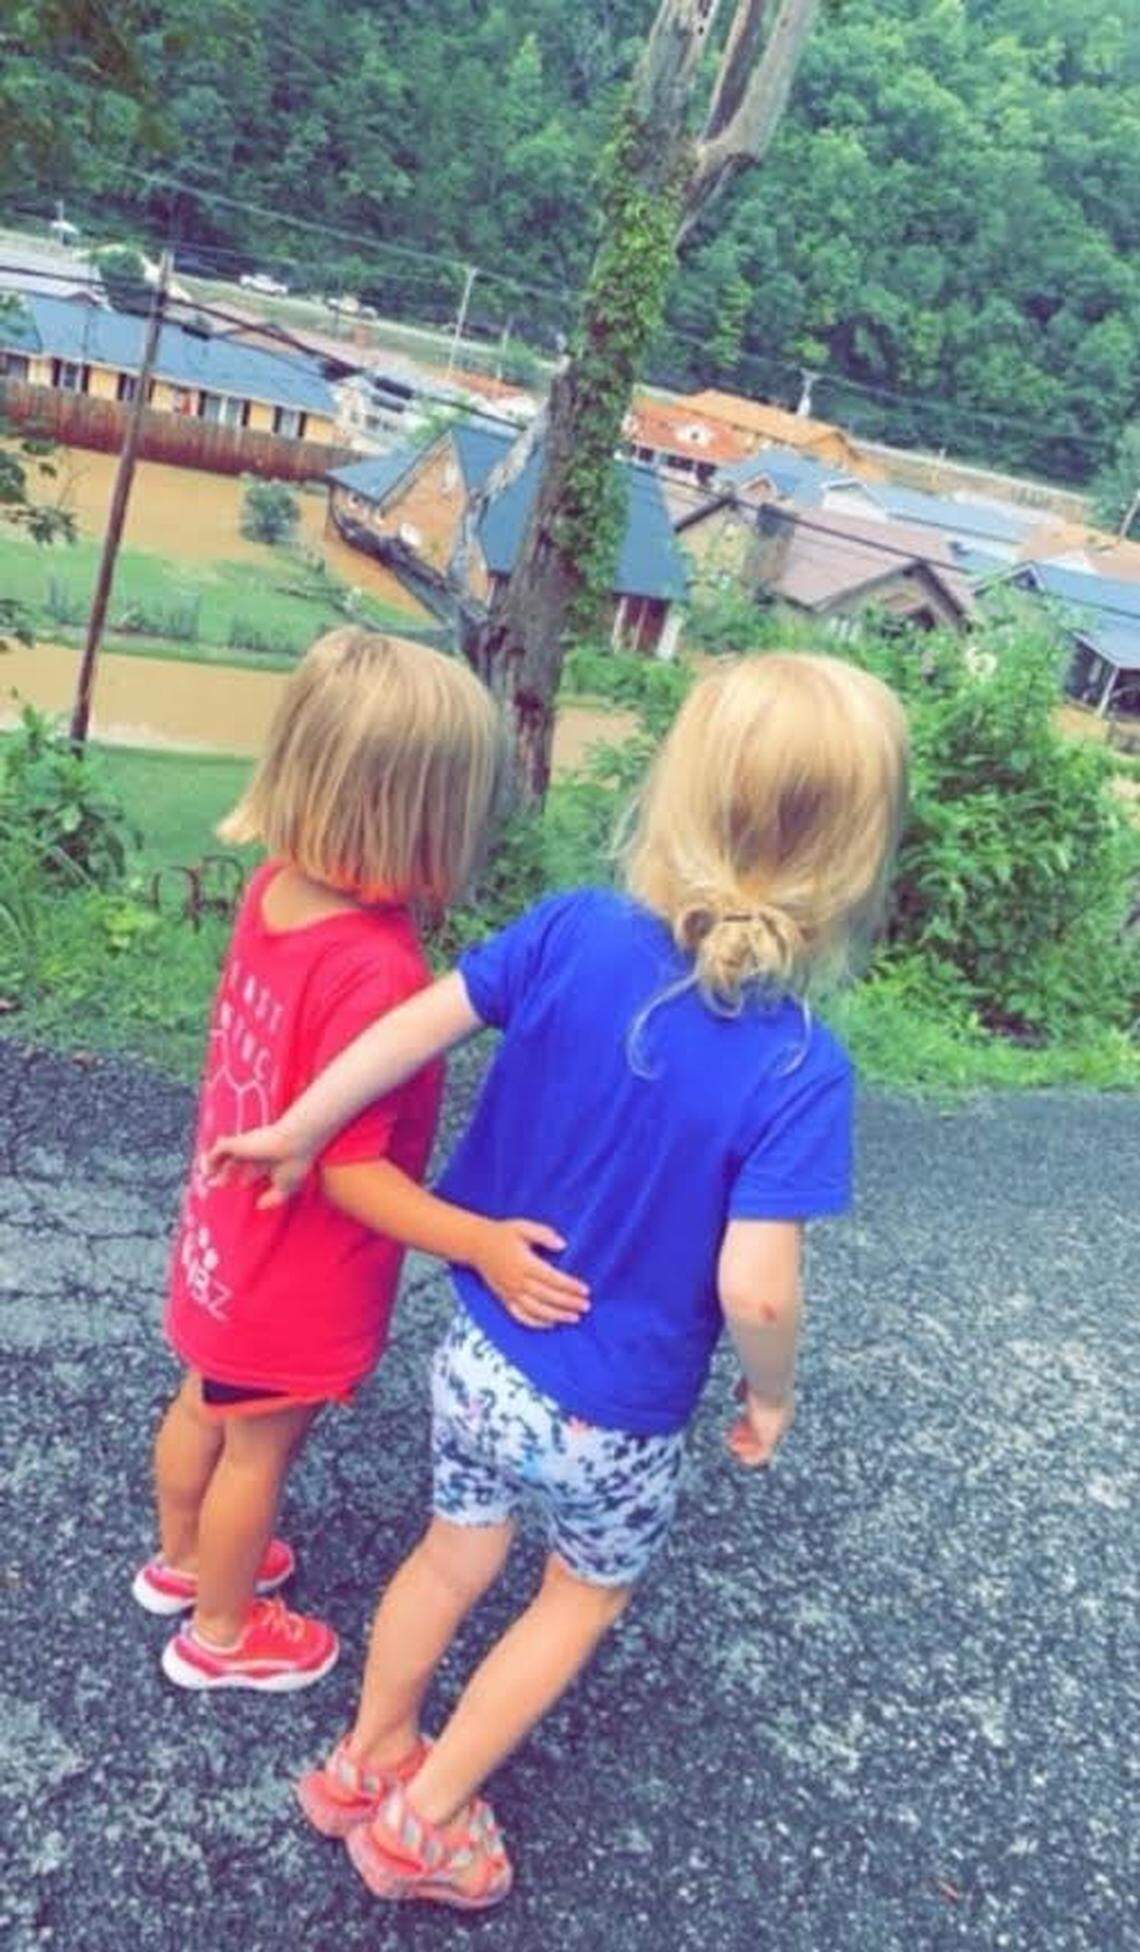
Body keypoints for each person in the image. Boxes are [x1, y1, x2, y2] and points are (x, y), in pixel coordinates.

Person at [210, 651, 908, 1901]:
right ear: (854, 858)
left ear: (676, 791)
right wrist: (774, 1395)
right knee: (579, 1596)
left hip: (479, 1355)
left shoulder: (574, 929)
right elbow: (757, 1288)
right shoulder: (804, 1066)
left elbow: (407, 1025)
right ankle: (424, 1819)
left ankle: (364, 1753)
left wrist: (304, 1122)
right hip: (616, 1418)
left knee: (447, 1555)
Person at [134, 627, 588, 1694]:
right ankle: (224, 1628)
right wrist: (476, 1238)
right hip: (290, 1266)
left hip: (222, 1235)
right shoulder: (378, 968)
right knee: (258, 1444)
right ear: (415, 816)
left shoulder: (273, 890)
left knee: (206, 1396)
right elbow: (350, 1171)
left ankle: (181, 1558)